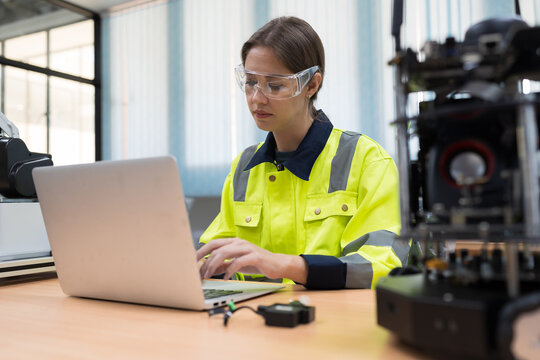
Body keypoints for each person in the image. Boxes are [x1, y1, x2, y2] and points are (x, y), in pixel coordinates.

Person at [196, 16, 407, 290]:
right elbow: (215, 250)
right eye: (250, 82)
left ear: (311, 85)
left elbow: (383, 264)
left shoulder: (368, 160)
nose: (256, 98)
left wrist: (286, 265)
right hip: (254, 322)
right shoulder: (244, 166)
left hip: (334, 323)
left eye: (274, 85)